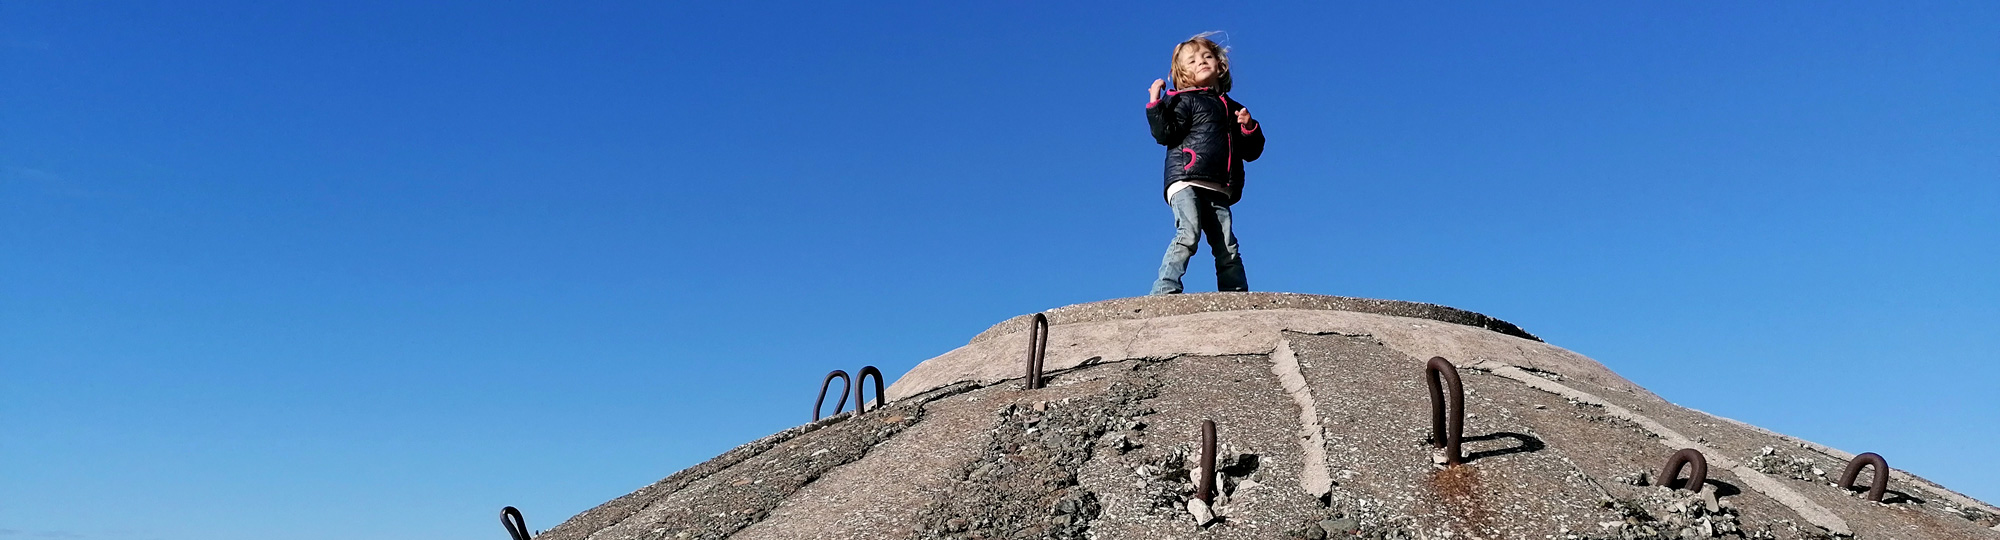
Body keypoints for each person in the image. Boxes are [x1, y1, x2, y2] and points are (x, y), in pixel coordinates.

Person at [1146, 33, 1265, 295]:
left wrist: (1248, 128)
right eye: (1191, 61)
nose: (1201, 61)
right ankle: (1165, 290)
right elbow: (1164, 133)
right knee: (1188, 233)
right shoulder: (1183, 100)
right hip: (1186, 178)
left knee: (1227, 245)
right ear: (1182, 73)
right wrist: (1156, 104)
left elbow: (1251, 152)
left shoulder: (1235, 108)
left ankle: (1234, 294)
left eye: (1207, 56)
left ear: (1221, 65)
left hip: (1219, 186)